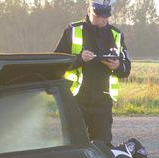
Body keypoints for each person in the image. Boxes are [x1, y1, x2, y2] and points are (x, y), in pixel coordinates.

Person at [55, 0, 131, 145]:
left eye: (106, 16)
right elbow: (56, 64)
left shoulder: (116, 34)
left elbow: (126, 69)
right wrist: (79, 59)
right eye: (98, 15)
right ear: (89, 10)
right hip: (76, 101)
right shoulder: (72, 30)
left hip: (103, 104)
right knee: (74, 146)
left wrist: (117, 65)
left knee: (102, 148)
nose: (103, 19)